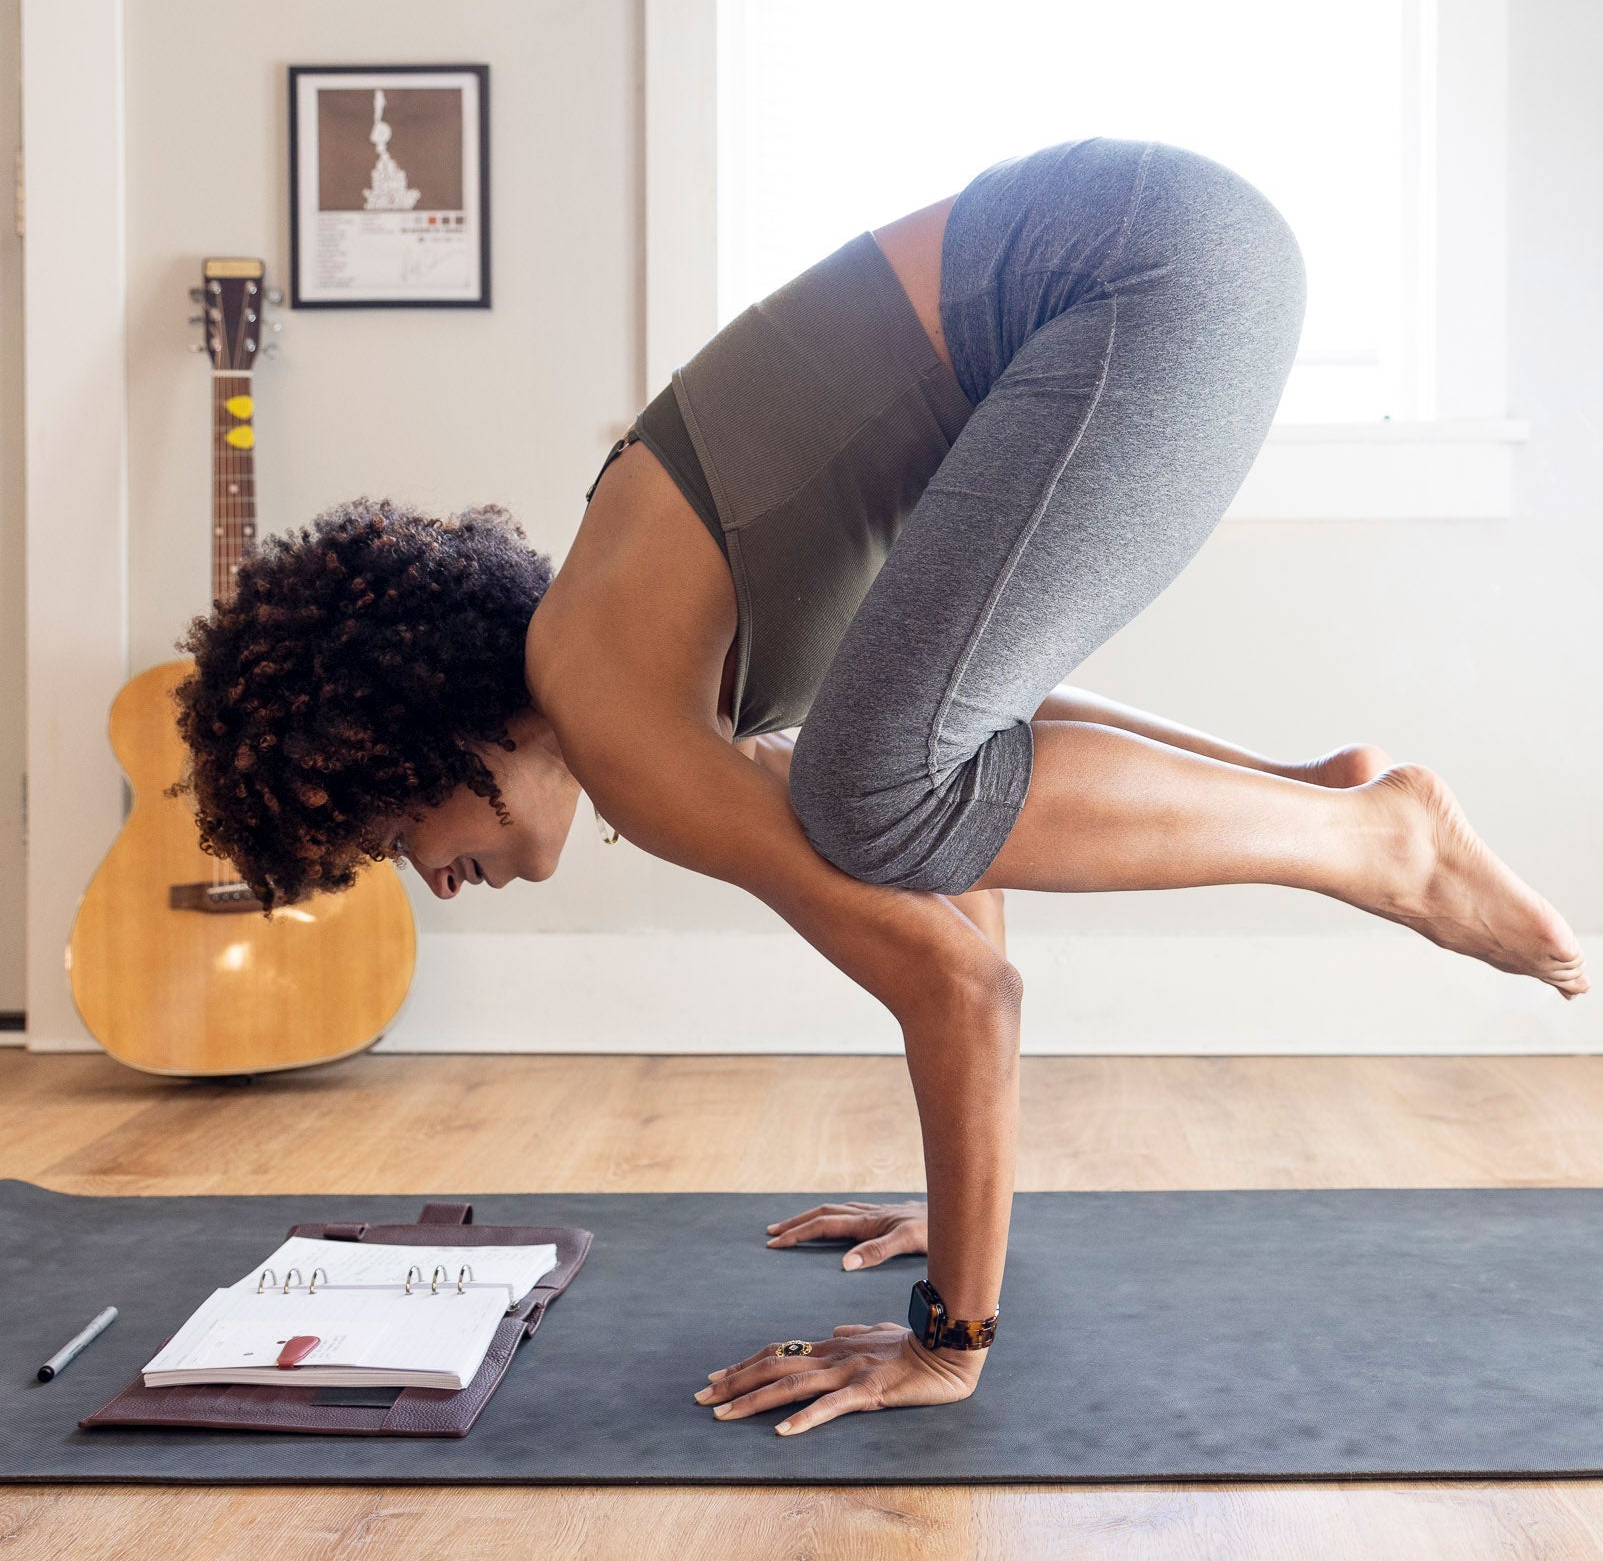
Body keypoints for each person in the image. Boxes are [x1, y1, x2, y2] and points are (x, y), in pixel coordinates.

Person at [175, 137, 1588, 1440]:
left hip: (1139, 280)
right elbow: (961, 870)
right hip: (1163, 260)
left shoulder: (614, 705)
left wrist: (948, 1335)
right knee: (885, 780)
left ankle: (1379, 841)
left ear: (421, 740)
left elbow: (959, 988)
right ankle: (1318, 795)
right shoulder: (651, 635)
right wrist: (958, 1207)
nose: (432, 878)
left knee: (870, 796)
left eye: (389, 833)